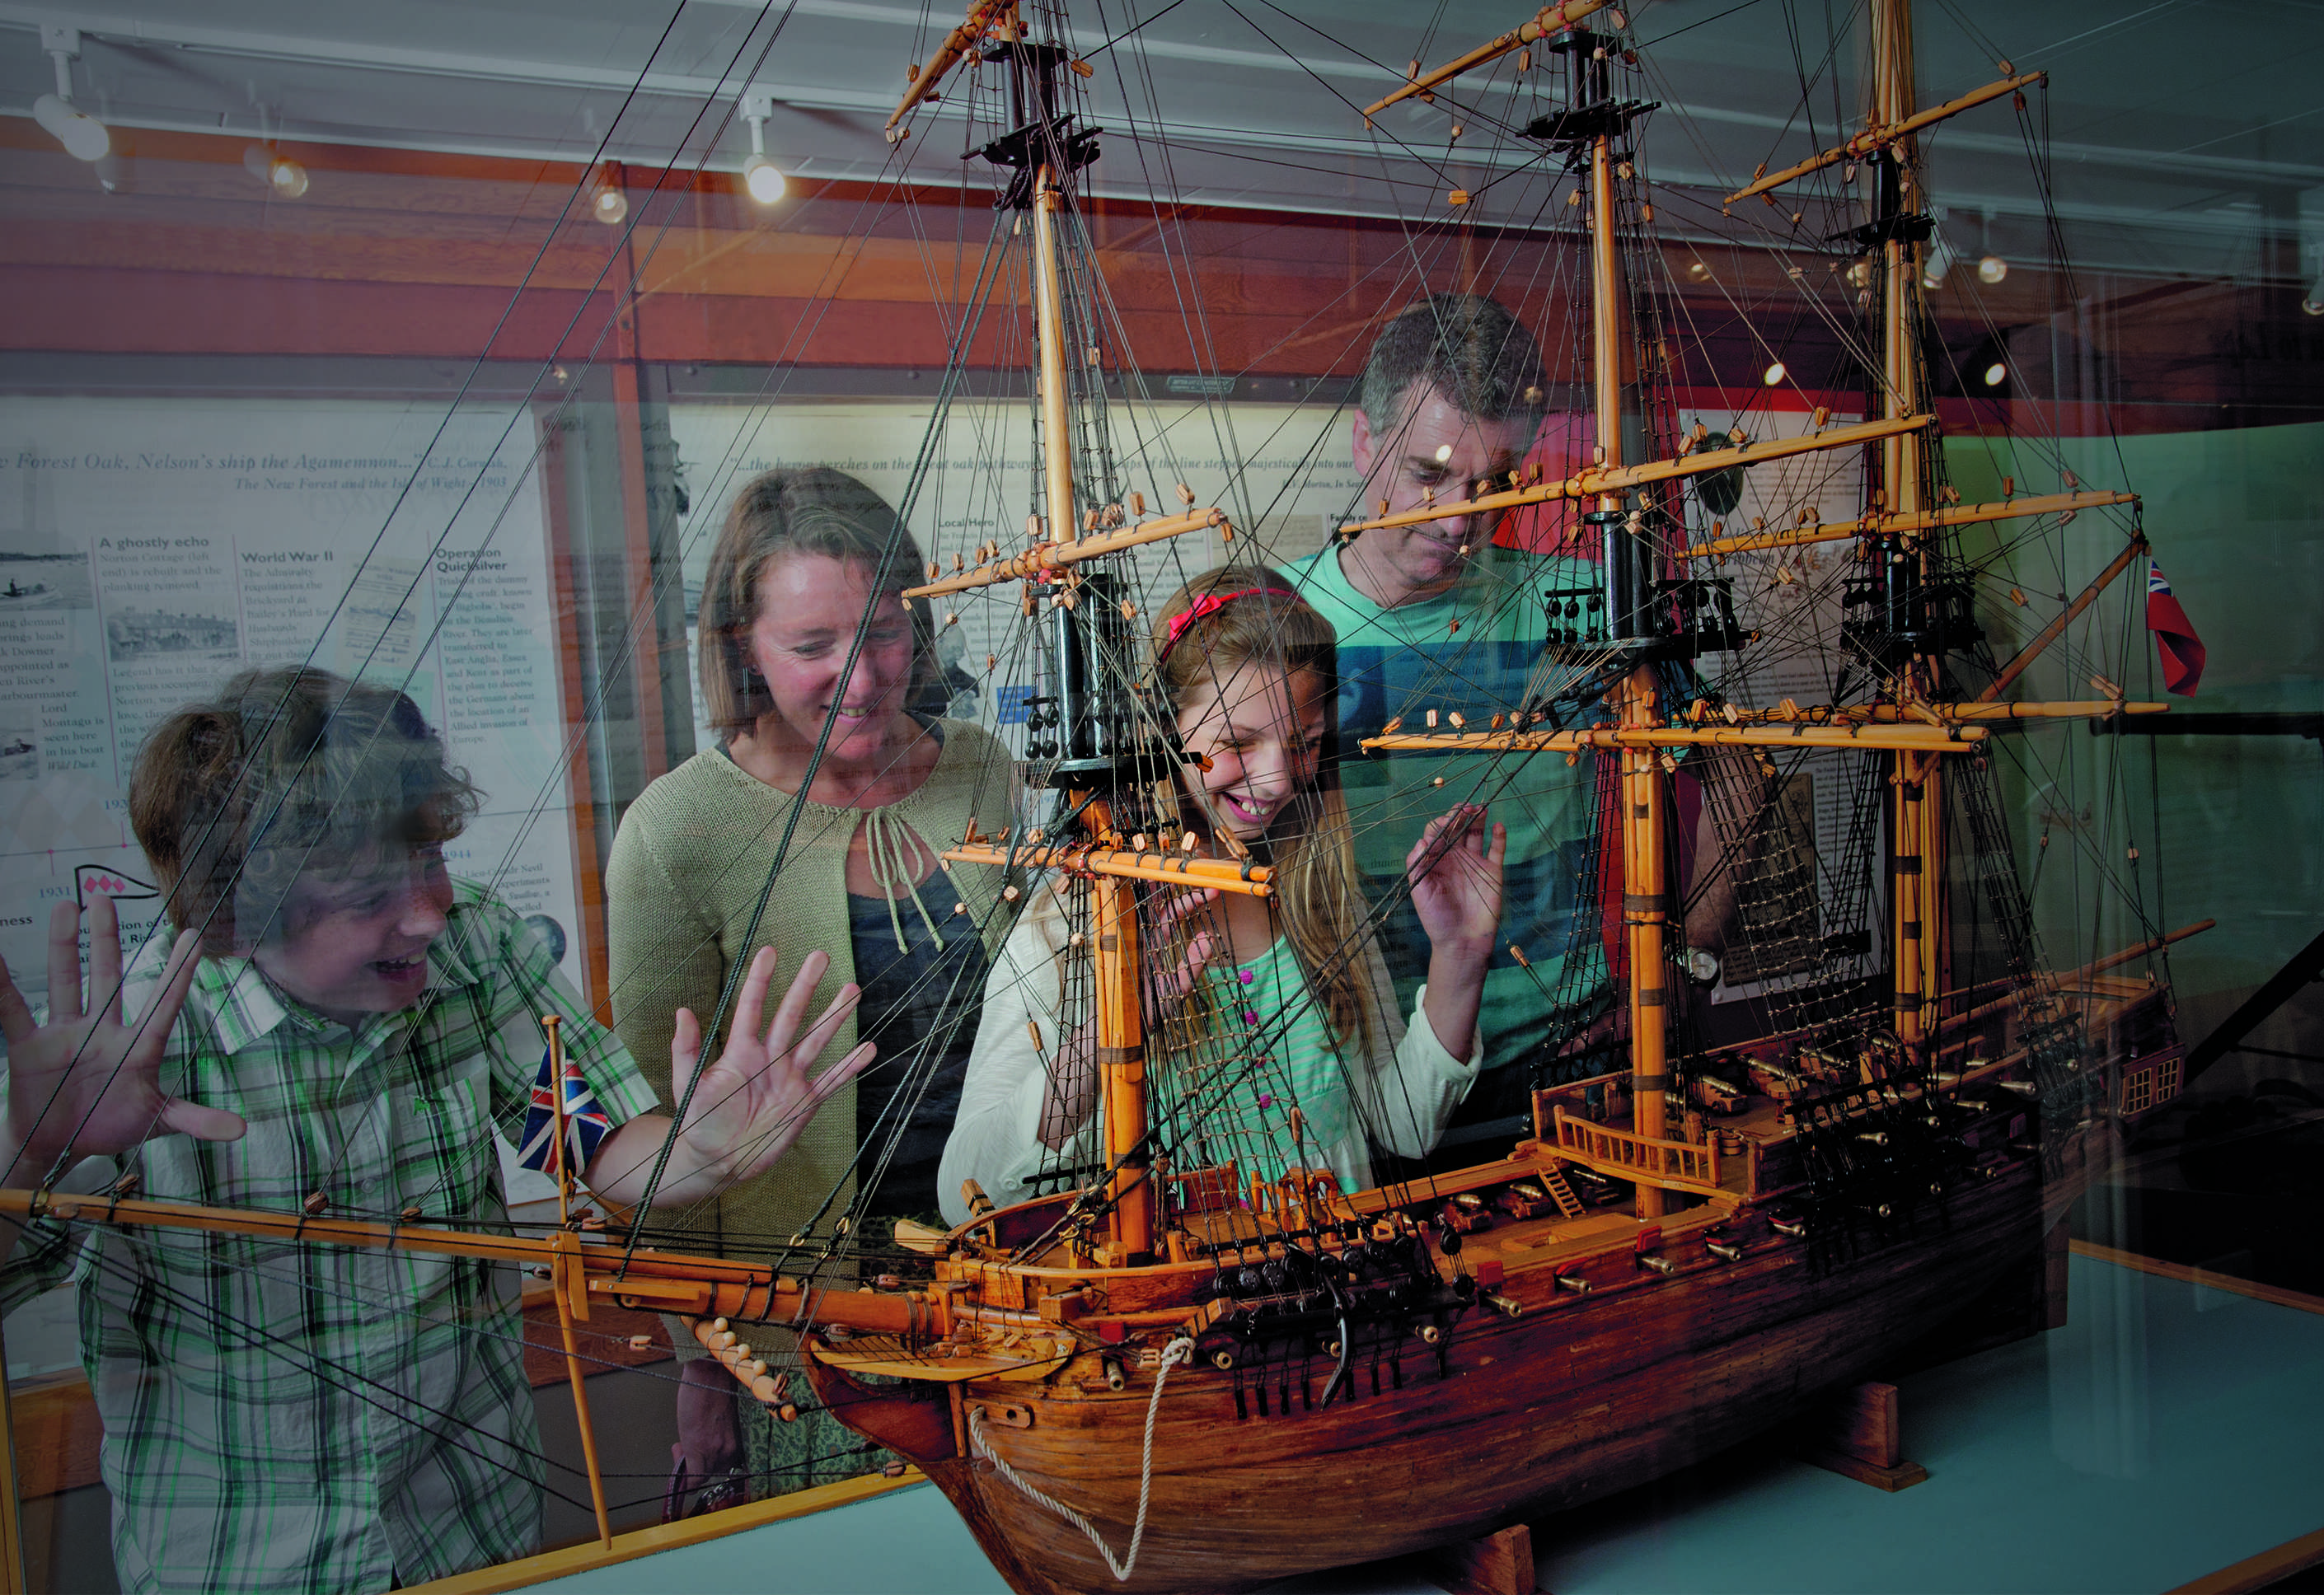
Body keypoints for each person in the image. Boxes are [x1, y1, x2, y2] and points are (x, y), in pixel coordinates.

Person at [0, 667, 867, 1594]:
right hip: (240, 1569)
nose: (429, 908)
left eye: (430, 858)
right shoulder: (130, 1048)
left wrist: (693, 1151)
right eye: (371, 896)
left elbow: (592, 1146)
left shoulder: (469, 951)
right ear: (235, 921)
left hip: (472, 1544)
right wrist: (31, 1148)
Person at [605, 466, 1020, 1513]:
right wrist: (703, 1372)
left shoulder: (984, 773)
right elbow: (655, 1136)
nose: (861, 677)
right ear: (741, 648)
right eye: (810, 647)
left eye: (883, 633)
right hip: (812, 1341)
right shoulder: (676, 831)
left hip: (1011, 1294)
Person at [943, 568, 1502, 1218]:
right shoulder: (1061, 926)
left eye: (1305, 744)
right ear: (1164, 734)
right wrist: (1102, 1038)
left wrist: (1458, 959)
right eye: (1237, 743)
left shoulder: (1312, 895)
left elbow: (1402, 1128)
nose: (1277, 781)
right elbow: (964, 1199)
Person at [1283, 292, 1591, 1150]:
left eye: (1492, 483)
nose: (1461, 519)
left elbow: (1730, 762)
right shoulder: (1272, 621)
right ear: (1361, 444)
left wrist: (1687, 964)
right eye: (1428, 475)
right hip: (1372, 1076)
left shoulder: (1576, 603)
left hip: (1573, 1051)